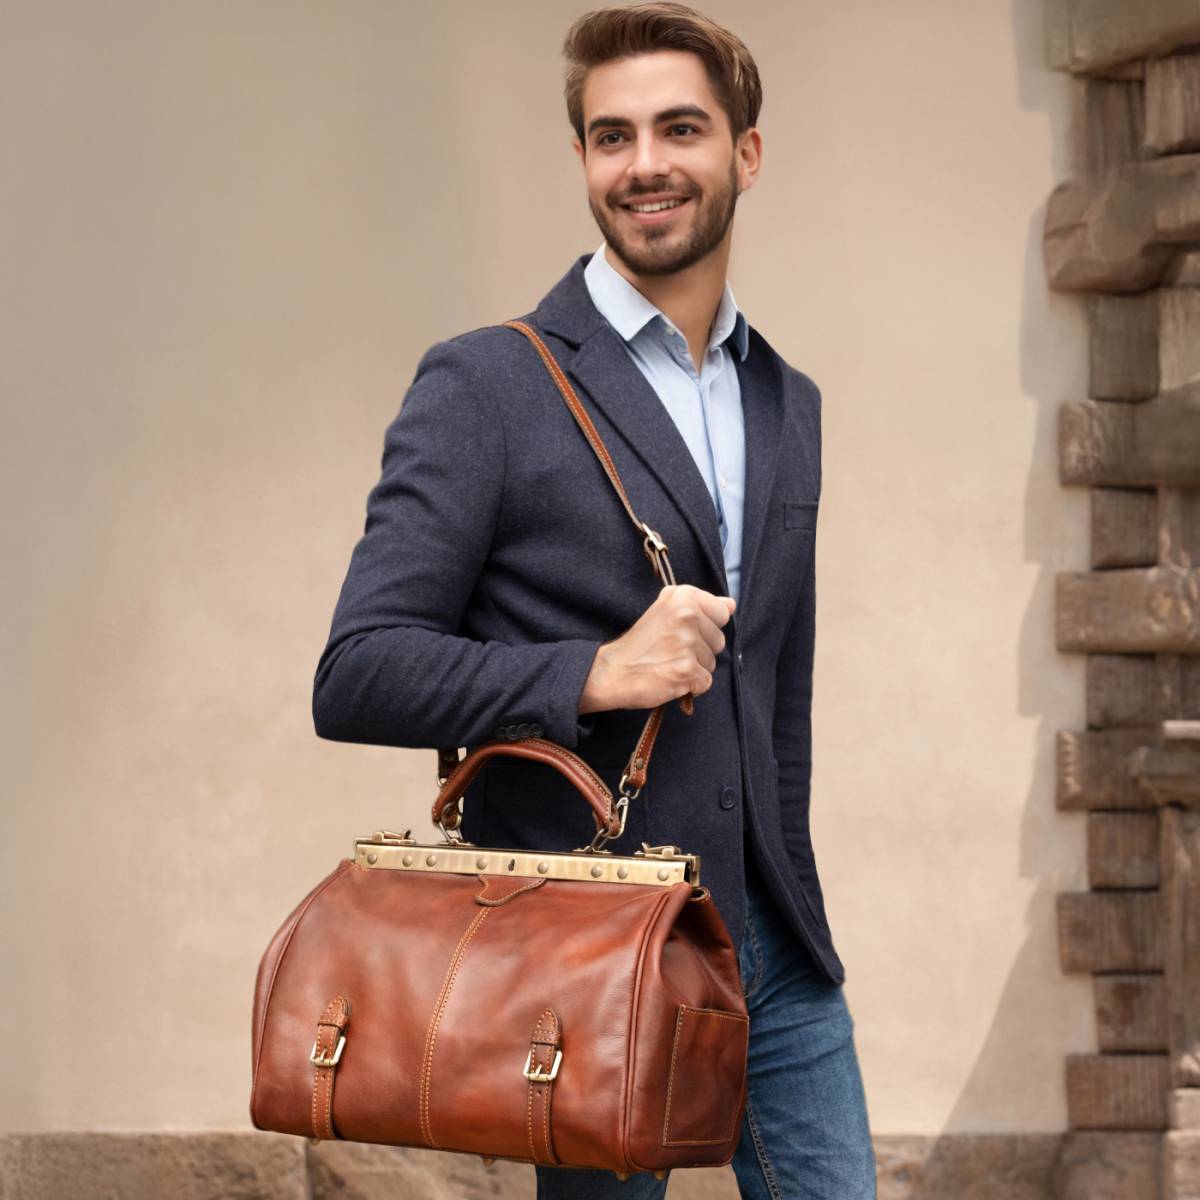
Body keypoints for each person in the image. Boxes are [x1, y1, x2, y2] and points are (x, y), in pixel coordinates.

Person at [312, 3, 876, 1196]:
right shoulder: (487, 382)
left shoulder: (790, 403)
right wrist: (594, 671)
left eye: (680, 128)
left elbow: (778, 692)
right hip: (584, 947)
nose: (644, 163)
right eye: (612, 136)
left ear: (747, 153)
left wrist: (791, 889)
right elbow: (358, 670)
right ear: (581, 160)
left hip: (774, 948)